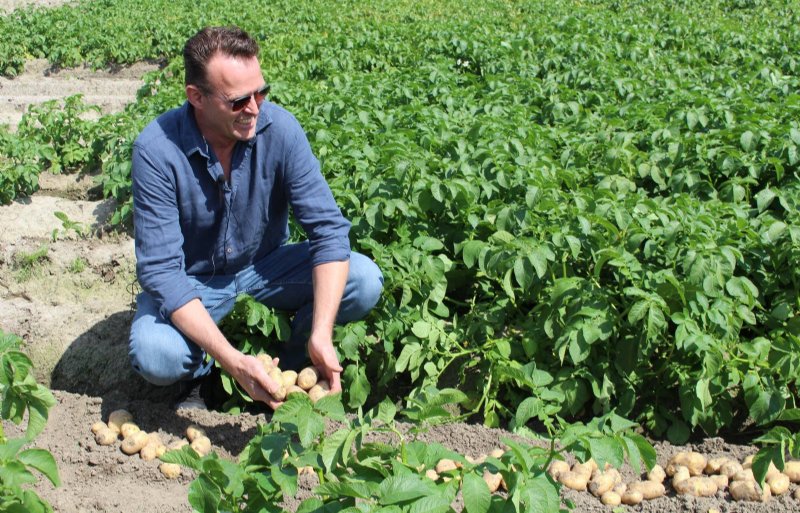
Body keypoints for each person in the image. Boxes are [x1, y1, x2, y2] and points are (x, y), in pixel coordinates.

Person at [128, 26, 383, 410]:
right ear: (196, 97)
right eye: (237, 101)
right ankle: (205, 377)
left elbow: (328, 231)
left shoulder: (279, 129)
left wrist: (321, 333)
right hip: (194, 282)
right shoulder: (156, 150)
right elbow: (162, 272)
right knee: (156, 354)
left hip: (265, 269)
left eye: (260, 92)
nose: (254, 108)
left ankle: (290, 365)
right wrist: (233, 362)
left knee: (362, 280)